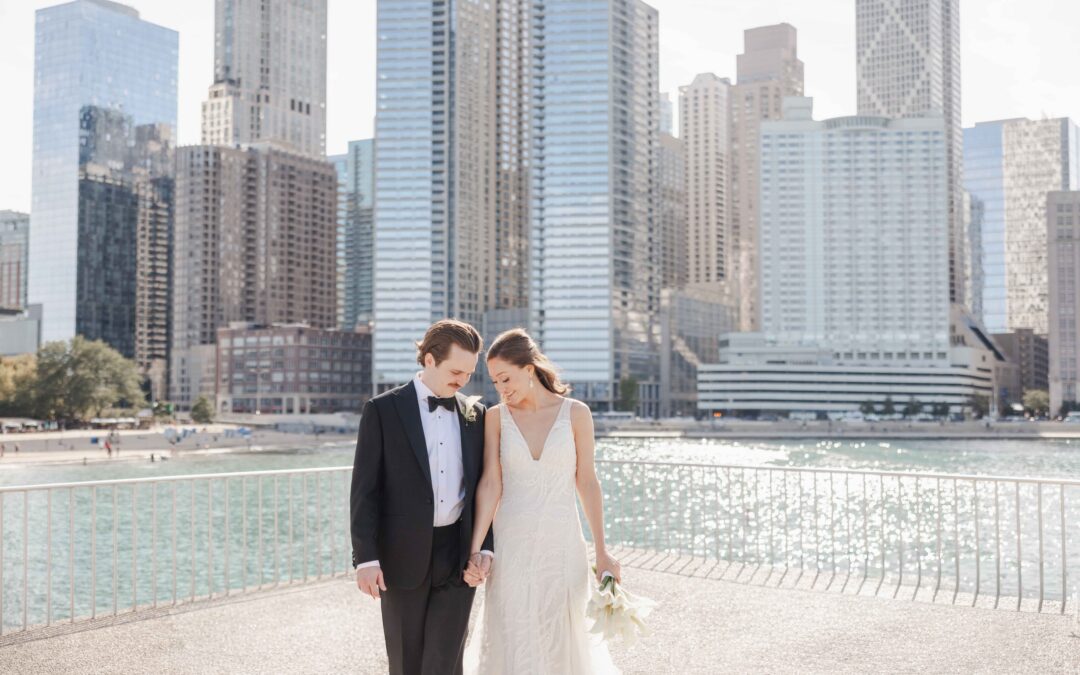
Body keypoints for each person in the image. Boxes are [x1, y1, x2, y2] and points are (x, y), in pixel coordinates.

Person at [464, 328, 621, 674]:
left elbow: (588, 482)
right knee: (512, 632)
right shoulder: (495, 418)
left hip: (562, 545)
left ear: (530, 368)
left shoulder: (576, 413)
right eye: (494, 382)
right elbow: (491, 484)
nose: (501, 389)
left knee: (562, 637)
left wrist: (603, 550)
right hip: (511, 547)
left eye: (506, 378)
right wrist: (475, 549)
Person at [350, 319, 493, 675]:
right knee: (406, 662)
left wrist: (484, 548)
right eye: (456, 371)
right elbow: (365, 491)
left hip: (457, 556)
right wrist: (365, 558)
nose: (463, 381)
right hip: (400, 557)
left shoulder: (476, 415)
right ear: (429, 360)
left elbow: (483, 490)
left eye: (469, 373)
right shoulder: (382, 410)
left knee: (446, 663)